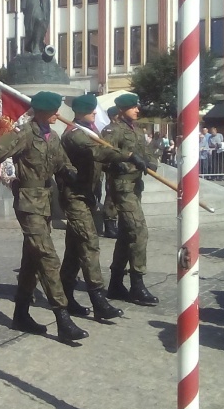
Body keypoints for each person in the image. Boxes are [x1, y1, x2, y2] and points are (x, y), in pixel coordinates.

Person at [0, 91, 89, 343]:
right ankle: (62, 318)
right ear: (44, 111)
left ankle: (21, 314)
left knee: (32, 259)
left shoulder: (53, 137)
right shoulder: (23, 134)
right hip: (27, 203)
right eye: (55, 109)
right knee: (47, 256)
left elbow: (62, 163)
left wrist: (72, 173)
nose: (59, 113)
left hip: (45, 202)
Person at [59, 94, 143, 321]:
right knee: (89, 245)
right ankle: (98, 300)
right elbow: (97, 152)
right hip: (74, 198)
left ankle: (65, 296)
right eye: (92, 111)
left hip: (86, 197)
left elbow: (100, 161)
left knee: (75, 251)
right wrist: (129, 156)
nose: (96, 114)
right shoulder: (75, 135)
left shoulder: (88, 133)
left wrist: (119, 166)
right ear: (80, 113)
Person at [103, 93, 161, 307]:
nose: (137, 110)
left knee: (127, 235)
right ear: (121, 109)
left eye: (137, 107)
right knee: (139, 232)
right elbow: (104, 153)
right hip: (121, 187)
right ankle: (137, 284)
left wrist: (151, 162)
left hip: (135, 187)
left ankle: (116, 283)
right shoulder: (112, 130)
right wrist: (124, 157)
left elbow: (147, 151)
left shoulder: (136, 130)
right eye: (133, 107)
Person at [102, 106, 120, 237]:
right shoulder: (109, 130)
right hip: (113, 167)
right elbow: (108, 150)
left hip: (124, 168)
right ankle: (110, 224)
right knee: (111, 197)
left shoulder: (123, 129)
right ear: (114, 116)